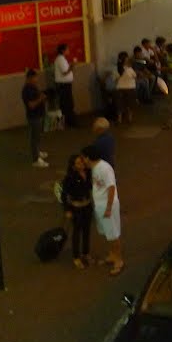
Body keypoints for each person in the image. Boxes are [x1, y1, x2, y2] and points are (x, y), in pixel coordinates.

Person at [82, 145, 123, 276]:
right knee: (107, 233)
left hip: (106, 205)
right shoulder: (94, 168)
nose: (82, 161)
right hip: (100, 205)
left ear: (88, 158)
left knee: (113, 234)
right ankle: (112, 255)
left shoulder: (104, 168)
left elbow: (111, 188)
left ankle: (119, 260)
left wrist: (109, 208)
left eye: (83, 158)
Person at [60, 154, 93, 269]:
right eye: (78, 163)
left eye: (82, 162)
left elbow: (90, 187)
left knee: (87, 231)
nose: (82, 165)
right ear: (73, 166)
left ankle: (86, 253)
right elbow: (64, 195)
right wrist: (67, 210)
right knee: (77, 232)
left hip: (87, 206)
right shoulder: (69, 178)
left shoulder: (88, 173)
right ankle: (76, 257)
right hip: (77, 208)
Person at [22, 68, 49, 168]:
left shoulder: (33, 87)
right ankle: (35, 159)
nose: (36, 79)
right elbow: (31, 105)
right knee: (34, 137)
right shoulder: (27, 90)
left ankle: (37, 152)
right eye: (35, 77)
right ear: (29, 78)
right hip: (34, 117)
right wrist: (41, 98)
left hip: (39, 115)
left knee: (37, 136)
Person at [53, 44, 76, 128]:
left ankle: (67, 122)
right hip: (64, 86)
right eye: (67, 49)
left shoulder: (61, 59)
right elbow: (65, 72)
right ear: (63, 50)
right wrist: (72, 66)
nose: (68, 51)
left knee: (66, 104)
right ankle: (70, 122)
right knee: (68, 104)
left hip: (64, 85)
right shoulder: (60, 60)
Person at [114, 52, 136, 125]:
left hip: (120, 88)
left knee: (120, 104)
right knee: (129, 104)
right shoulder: (130, 69)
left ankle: (119, 119)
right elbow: (135, 76)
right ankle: (129, 118)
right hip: (130, 88)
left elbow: (115, 79)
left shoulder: (117, 68)